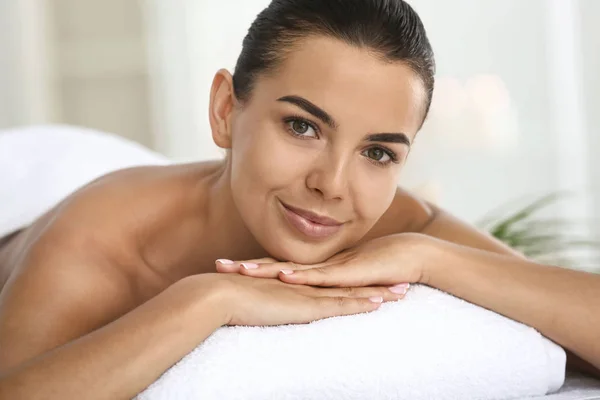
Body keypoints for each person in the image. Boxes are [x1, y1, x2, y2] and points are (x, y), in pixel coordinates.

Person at [0, 0, 598, 398]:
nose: (333, 185)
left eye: (379, 152)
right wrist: (208, 299)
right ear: (226, 110)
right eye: (303, 127)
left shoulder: (390, 218)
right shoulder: (98, 239)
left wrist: (430, 256)